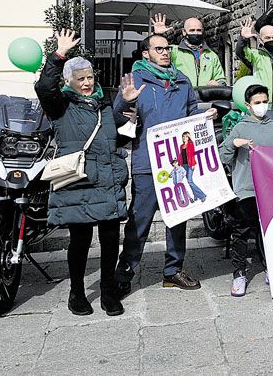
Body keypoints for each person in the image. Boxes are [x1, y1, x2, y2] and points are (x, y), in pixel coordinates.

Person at [35, 30, 129, 317]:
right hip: (79, 180)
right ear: (70, 82)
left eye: (90, 78)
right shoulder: (60, 104)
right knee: (80, 240)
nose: (87, 83)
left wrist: (126, 111)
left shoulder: (104, 103)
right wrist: (58, 55)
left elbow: (116, 138)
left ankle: (108, 291)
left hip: (108, 180)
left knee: (111, 237)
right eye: (81, 79)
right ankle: (77, 292)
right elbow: (44, 89)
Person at [113, 33, 213, 293]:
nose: (165, 52)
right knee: (140, 220)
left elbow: (191, 112)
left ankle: (173, 271)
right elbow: (117, 119)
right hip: (147, 162)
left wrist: (205, 116)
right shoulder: (135, 80)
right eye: (158, 49)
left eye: (167, 48)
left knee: (178, 218)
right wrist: (126, 100)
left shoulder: (181, 80)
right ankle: (124, 273)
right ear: (146, 53)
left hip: (178, 163)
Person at [220, 84, 273, 296]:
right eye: (257, 103)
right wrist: (234, 142)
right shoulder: (240, 127)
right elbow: (223, 156)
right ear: (248, 106)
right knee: (241, 232)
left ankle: (271, 268)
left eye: (264, 102)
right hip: (246, 189)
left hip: (270, 188)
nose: (262, 106)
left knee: (268, 230)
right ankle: (239, 274)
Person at [151, 14, 226, 87]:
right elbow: (156, 56)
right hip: (181, 96)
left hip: (205, 97)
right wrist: (158, 35)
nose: (195, 33)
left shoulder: (211, 55)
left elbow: (221, 79)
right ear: (184, 32)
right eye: (192, 30)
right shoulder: (174, 51)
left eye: (199, 30)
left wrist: (218, 84)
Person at [174, 131, 208, 203]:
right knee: (189, 181)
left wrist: (192, 164)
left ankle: (202, 196)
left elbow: (192, 155)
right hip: (184, 165)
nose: (184, 138)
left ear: (188, 137)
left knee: (190, 181)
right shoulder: (181, 146)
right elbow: (181, 156)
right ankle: (195, 195)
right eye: (183, 136)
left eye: (186, 136)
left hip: (190, 164)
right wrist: (178, 165)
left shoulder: (191, 144)